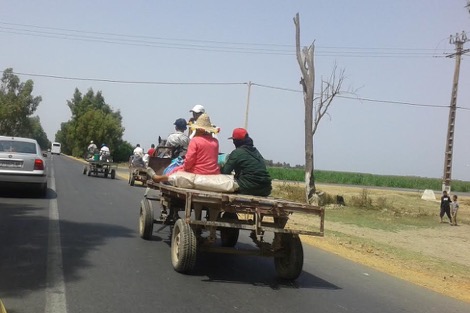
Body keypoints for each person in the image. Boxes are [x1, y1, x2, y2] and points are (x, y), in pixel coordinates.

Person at [149, 113, 220, 182]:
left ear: (200, 129)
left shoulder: (195, 141)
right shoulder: (215, 142)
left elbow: (189, 162)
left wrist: (183, 167)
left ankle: (160, 178)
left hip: (197, 172)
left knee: (175, 170)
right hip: (213, 172)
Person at [221, 128, 272, 196]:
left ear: (236, 141)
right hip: (266, 188)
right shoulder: (256, 152)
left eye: (234, 140)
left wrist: (218, 167)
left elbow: (225, 171)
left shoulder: (237, 153)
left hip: (248, 187)